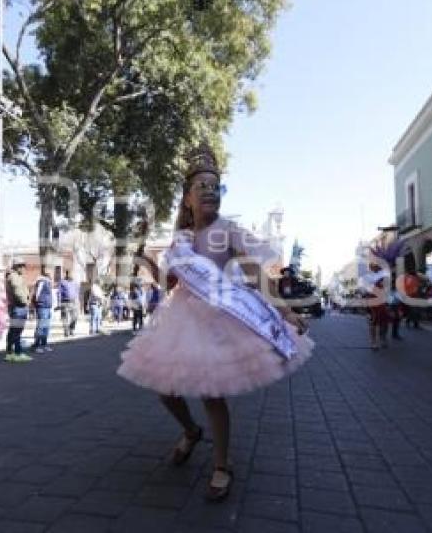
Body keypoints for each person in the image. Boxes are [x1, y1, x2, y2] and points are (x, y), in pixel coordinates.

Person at [117, 146, 314, 502]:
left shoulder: (230, 231)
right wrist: (145, 260)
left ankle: (223, 464)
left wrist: (287, 312)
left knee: (212, 393)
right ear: (187, 198)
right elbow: (169, 285)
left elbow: (257, 277)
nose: (209, 190)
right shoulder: (181, 240)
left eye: (215, 186)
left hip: (221, 317)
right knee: (165, 390)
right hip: (183, 319)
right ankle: (191, 432)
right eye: (202, 186)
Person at [6, 260, 32, 362]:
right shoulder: (14, 277)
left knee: (13, 330)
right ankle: (17, 353)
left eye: (24, 266)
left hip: (17, 306)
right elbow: (17, 291)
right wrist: (25, 302)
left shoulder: (16, 276)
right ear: (16, 267)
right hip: (18, 307)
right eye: (21, 266)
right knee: (17, 331)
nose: (23, 268)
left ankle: (10, 352)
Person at [362, 263, 390, 350]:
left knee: (385, 322)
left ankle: (383, 338)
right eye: (373, 265)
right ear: (371, 267)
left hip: (383, 302)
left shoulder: (385, 275)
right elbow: (365, 291)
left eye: (377, 265)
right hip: (372, 303)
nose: (376, 267)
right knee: (373, 323)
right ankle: (373, 342)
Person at [31, 270, 54, 353]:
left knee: (46, 327)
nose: (52, 276)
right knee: (41, 326)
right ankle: (37, 345)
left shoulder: (48, 283)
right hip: (42, 306)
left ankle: (44, 344)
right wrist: (38, 303)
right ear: (47, 275)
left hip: (47, 306)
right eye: (50, 274)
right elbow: (37, 293)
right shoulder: (42, 281)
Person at [58, 270, 80, 337]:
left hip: (74, 302)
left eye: (72, 274)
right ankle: (66, 331)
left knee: (75, 317)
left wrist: (78, 301)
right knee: (64, 318)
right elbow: (59, 292)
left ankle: (71, 329)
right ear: (67, 274)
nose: (71, 275)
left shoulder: (75, 282)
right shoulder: (62, 282)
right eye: (69, 274)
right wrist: (59, 302)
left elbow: (77, 292)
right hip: (64, 302)